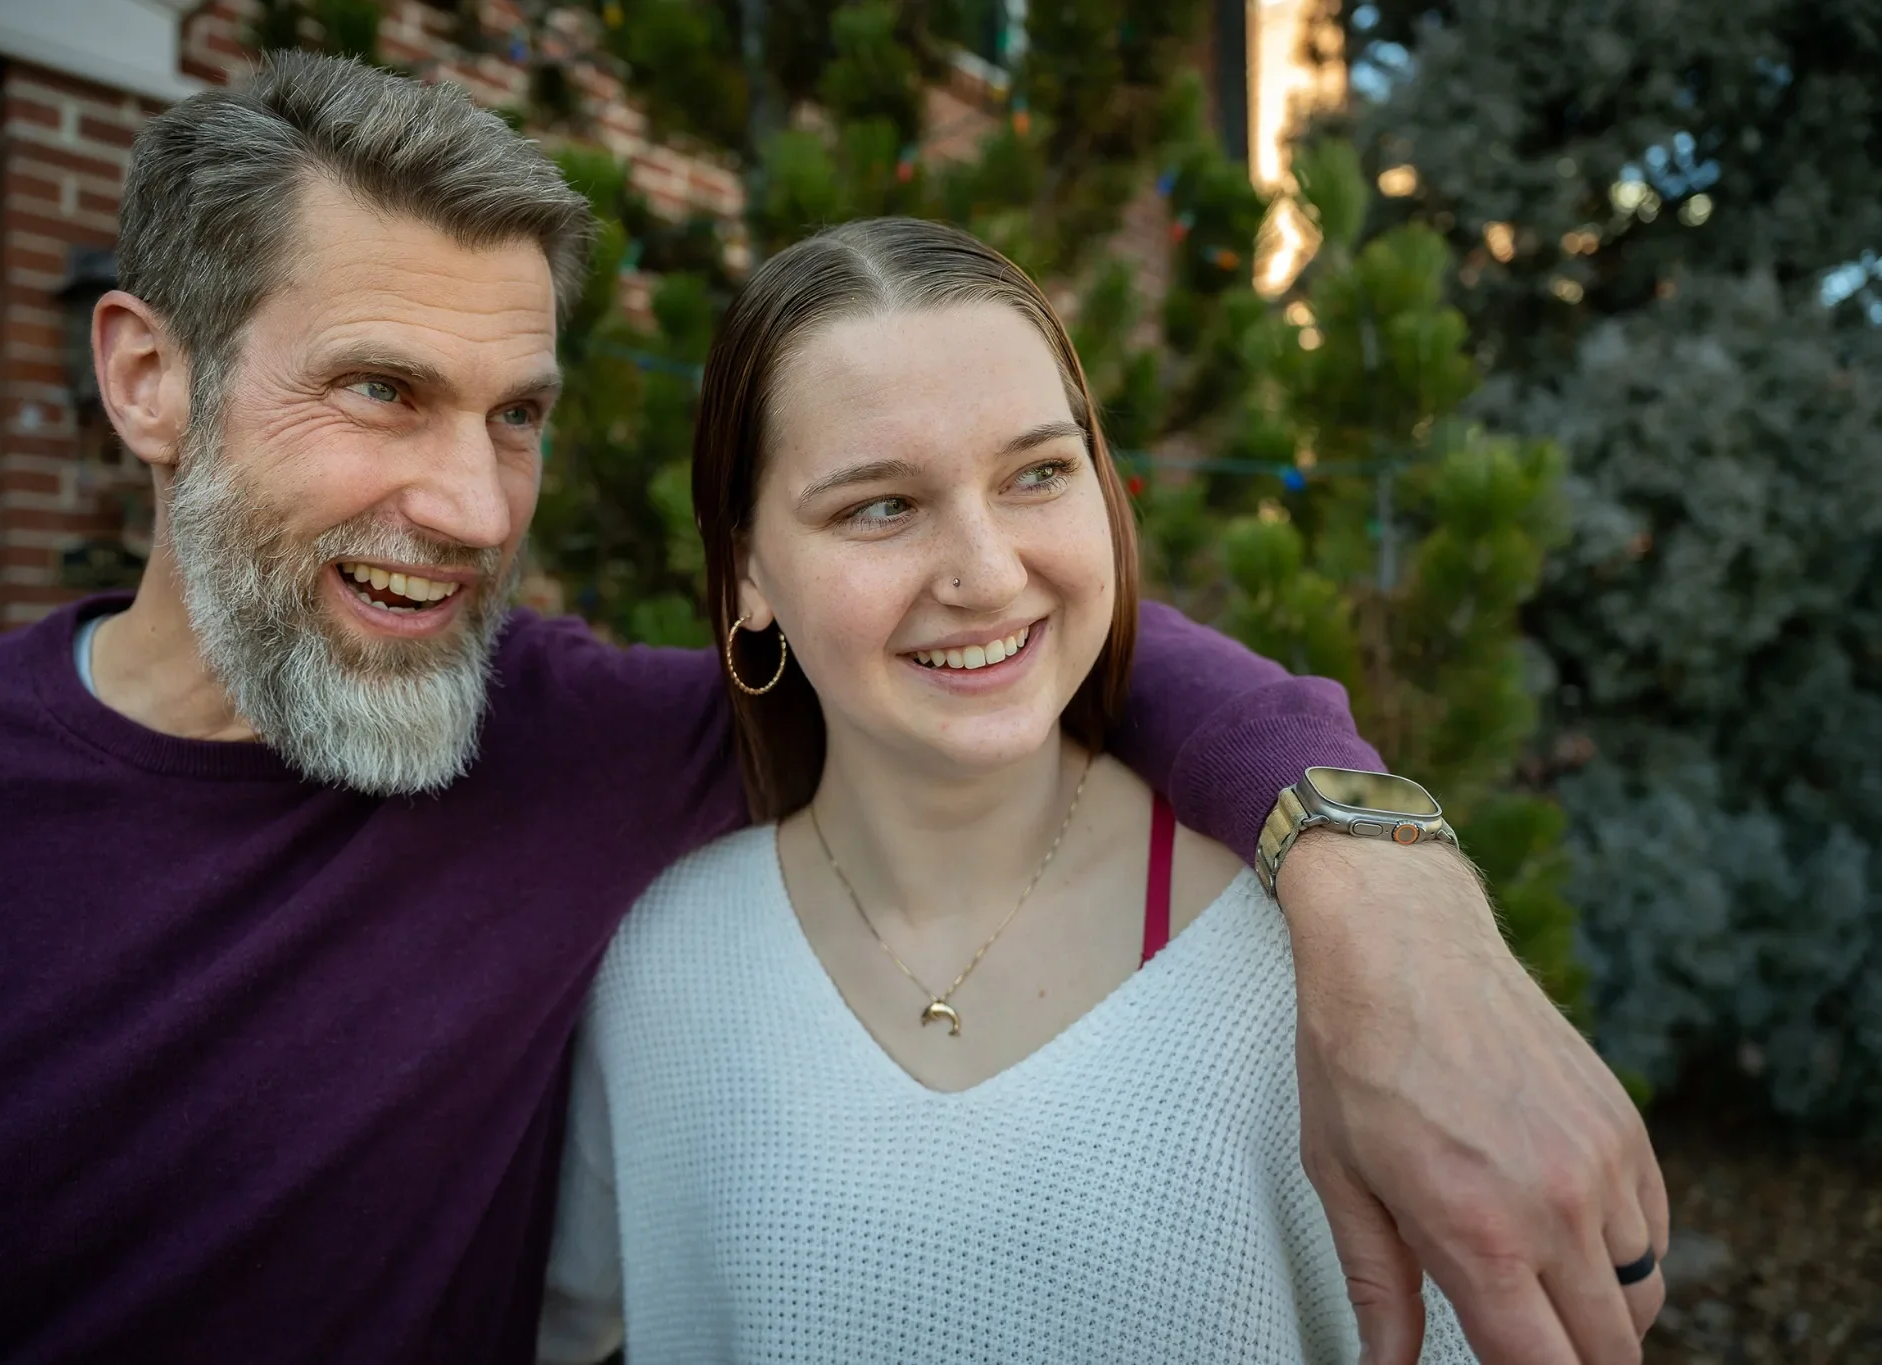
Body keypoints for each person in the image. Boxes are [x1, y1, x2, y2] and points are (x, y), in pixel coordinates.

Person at [0, 52, 1661, 1365]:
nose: (474, 507)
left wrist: (1376, 883)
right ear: (149, 377)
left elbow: (1013, 636)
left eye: (518, 413)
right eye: (382, 391)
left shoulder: (574, 753)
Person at [530, 220, 1640, 1363]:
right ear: (751, 569)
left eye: (1036, 474)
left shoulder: (1316, 979)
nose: (987, 572)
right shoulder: (656, 965)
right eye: (879, 506)